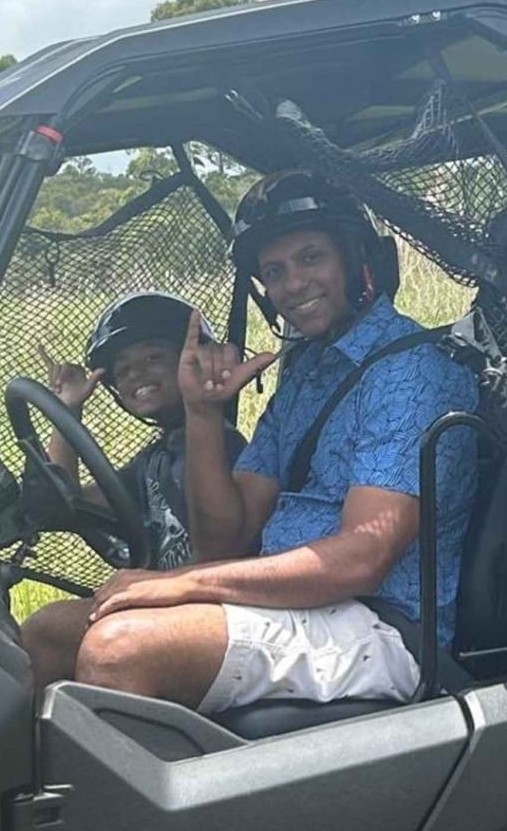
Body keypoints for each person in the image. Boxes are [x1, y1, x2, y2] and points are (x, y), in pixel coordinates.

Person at [58, 171, 478, 714]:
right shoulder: (306, 369)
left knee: (118, 649)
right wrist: (203, 413)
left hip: (381, 624)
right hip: (300, 608)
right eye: (274, 271)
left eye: (310, 258)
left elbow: (362, 558)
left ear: (352, 259)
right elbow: (224, 540)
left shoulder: (412, 372)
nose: (292, 285)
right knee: (52, 631)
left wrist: (182, 584)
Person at [22, 292, 246, 686]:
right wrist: (68, 409)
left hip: (209, 607)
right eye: (122, 370)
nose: (136, 375)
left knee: (45, 631)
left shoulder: (219, 446)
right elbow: (64, 502)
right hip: (167, 603)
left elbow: (225, 547)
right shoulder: (157, 457)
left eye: (152, 359)